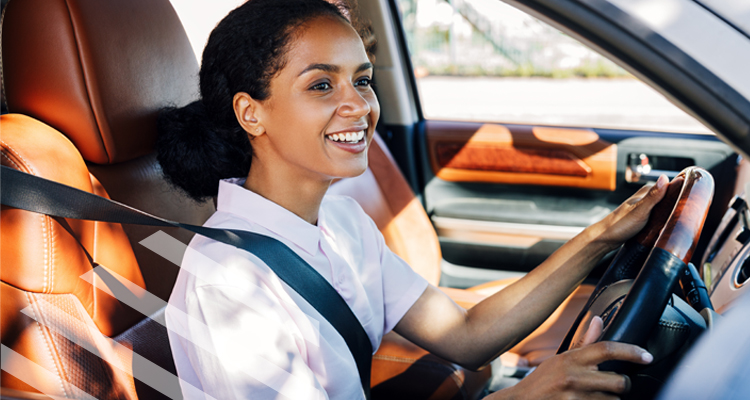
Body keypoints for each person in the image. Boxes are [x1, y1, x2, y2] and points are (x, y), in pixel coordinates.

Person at [157, 0, 666, 398]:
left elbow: (467, 334)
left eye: (362, 80)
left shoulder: (342, 220)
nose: (358, 105)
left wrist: (602, 236)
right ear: (251, 113)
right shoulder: (228, 284)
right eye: (320, 85)